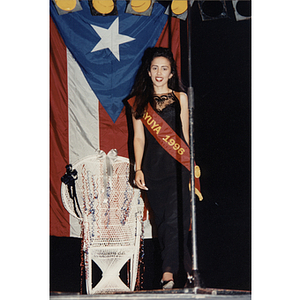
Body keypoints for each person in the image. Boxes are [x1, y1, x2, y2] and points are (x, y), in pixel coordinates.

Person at [127, 47, 194, 289]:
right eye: (155, 68)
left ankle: (168, 272)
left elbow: (185, 134)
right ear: (148, 71)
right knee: (164, 222)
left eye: (164, 68)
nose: (159, 72)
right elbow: (138, 139)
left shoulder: (181, 97)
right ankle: (186, 269)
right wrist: (137, 168)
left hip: (178, 166)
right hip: (153, 170)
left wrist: (191, 163)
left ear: (171, 73)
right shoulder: (138, 102)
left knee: (177, 218)